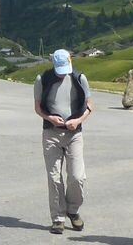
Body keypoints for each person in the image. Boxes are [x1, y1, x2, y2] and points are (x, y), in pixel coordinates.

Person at [34, 49, 92, 234]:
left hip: (74, 133)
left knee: (77, 176)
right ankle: (58, 217)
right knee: (54, 177)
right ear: (53, 65)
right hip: (51, 133)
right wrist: (50, 118)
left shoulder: (79, 78)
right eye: (59, 70)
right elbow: (37, 108)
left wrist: (78, 121)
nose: (62, 73)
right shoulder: (42, 79)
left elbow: (90, 106)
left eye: (65, 69)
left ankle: (73, 210)